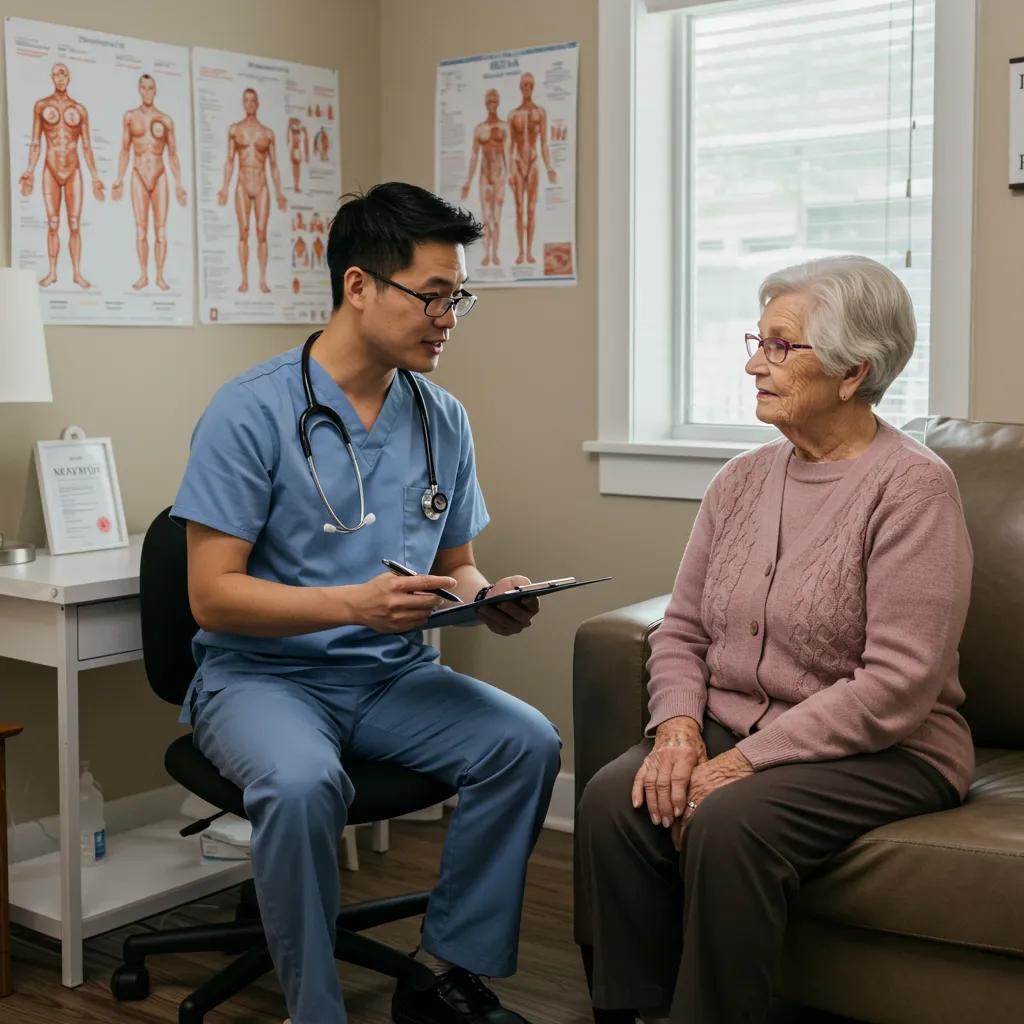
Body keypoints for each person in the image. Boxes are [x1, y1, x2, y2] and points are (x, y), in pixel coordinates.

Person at [172, 182, 561, 1024]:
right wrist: (355, 606)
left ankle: (450, 974)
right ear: (358, 287)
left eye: (458, 298)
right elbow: (211, 597)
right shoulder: (251, 411)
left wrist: (485, 598)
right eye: (430, 295)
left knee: (525, 742)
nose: (447, 316)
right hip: (259, 679)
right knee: (305, 782)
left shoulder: (441, 418)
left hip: (389, 676)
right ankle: (315, 1011)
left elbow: (455, 563)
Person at [575, 255, 974, 1024]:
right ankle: (628, 1013)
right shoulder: (741, 479)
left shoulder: (913, 487)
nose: (756, 362)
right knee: (611, 800)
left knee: (729, 822)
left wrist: (740, 762)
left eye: (781, 346)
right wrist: (680, 730)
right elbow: (683, 628)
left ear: (853, 371)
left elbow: (898, 682)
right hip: (736, 720)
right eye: (757, 340)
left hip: (890, 748)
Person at [20, 62, 106, 289]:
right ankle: (52, 273)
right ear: (51, 77)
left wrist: (95, 177)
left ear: (69, 78)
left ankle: (76, 273)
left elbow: (87, 146)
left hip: (73, 170)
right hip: (50, 168)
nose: (60, 78)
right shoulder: (41, 106)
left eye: (63, 74)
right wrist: (29, 170)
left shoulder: (80, 110)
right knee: (53, 222)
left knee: (75, 224)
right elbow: (36, 142)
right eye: (56, 74)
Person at [111, 74, 188, 291]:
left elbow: (172, 154)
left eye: (151, 88)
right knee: (141, 230)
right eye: (143, 88)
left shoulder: (166, 120)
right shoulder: (130, 117)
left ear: (156, 91)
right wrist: (119, 178)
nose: (147, 92)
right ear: (139, 90)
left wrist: (179, 183)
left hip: (159, 174)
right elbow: (125, 149)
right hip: (138, 175)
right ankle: (144, 275)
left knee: (161, 230)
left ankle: (160, 276)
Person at [217, 87, 287, 294]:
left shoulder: (267, 133)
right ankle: (245, 279)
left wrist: (279, 192)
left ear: (257, 104)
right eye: (246, 100)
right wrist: (224, 188)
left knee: (261, 233)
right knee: (244, 231)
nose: (249, 104)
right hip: (242, 184)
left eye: (252, 101)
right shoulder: (235, 130)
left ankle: (263, 280)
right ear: (243, 103)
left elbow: (274, 165)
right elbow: (230, 160)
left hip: (262, 185)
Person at [508, 72, 556, 266]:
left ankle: (529, 252)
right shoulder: (513, 115)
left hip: (534, 161)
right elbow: (510, 146)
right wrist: (510, 169)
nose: (527, 88)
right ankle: (520, 252)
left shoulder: (540, 113)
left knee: (531, 209)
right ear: (520, 88)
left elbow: (544, 142)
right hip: (518, 161)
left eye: (530, 85)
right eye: (524, 85)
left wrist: (549, 166)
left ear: (533, 87)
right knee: (519, 209)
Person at [461, 88, 508, 267]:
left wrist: (510, 176)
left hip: (500, 176)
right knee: (487, 219)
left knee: (496, 217)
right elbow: (474, 156)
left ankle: (495, 253)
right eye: (489, 101)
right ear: (485, 104)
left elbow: (508, 154)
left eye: (495, 101)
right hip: (484, 176)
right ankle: (487, 254)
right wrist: (467, 182)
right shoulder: (479, 129)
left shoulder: (504, 128)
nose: (492, 104)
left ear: (498, 103)